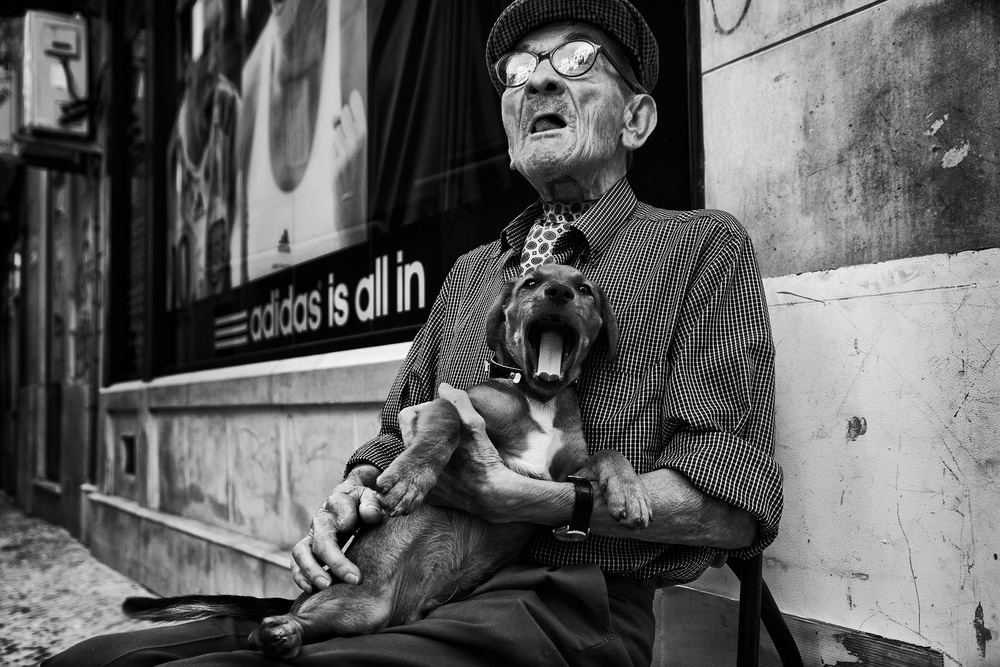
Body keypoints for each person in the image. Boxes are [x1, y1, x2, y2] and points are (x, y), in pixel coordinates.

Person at [46, 0, 782, 664]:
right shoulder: (471, 274)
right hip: (406, 573)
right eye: (520, 71)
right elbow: (391, 438)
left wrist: (529, 501)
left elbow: (733, 506)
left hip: (569, 601)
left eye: (577, 59)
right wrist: (348, 497)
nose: (539, 81)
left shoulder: (697, 248)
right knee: (96, 659)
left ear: (637, 119)